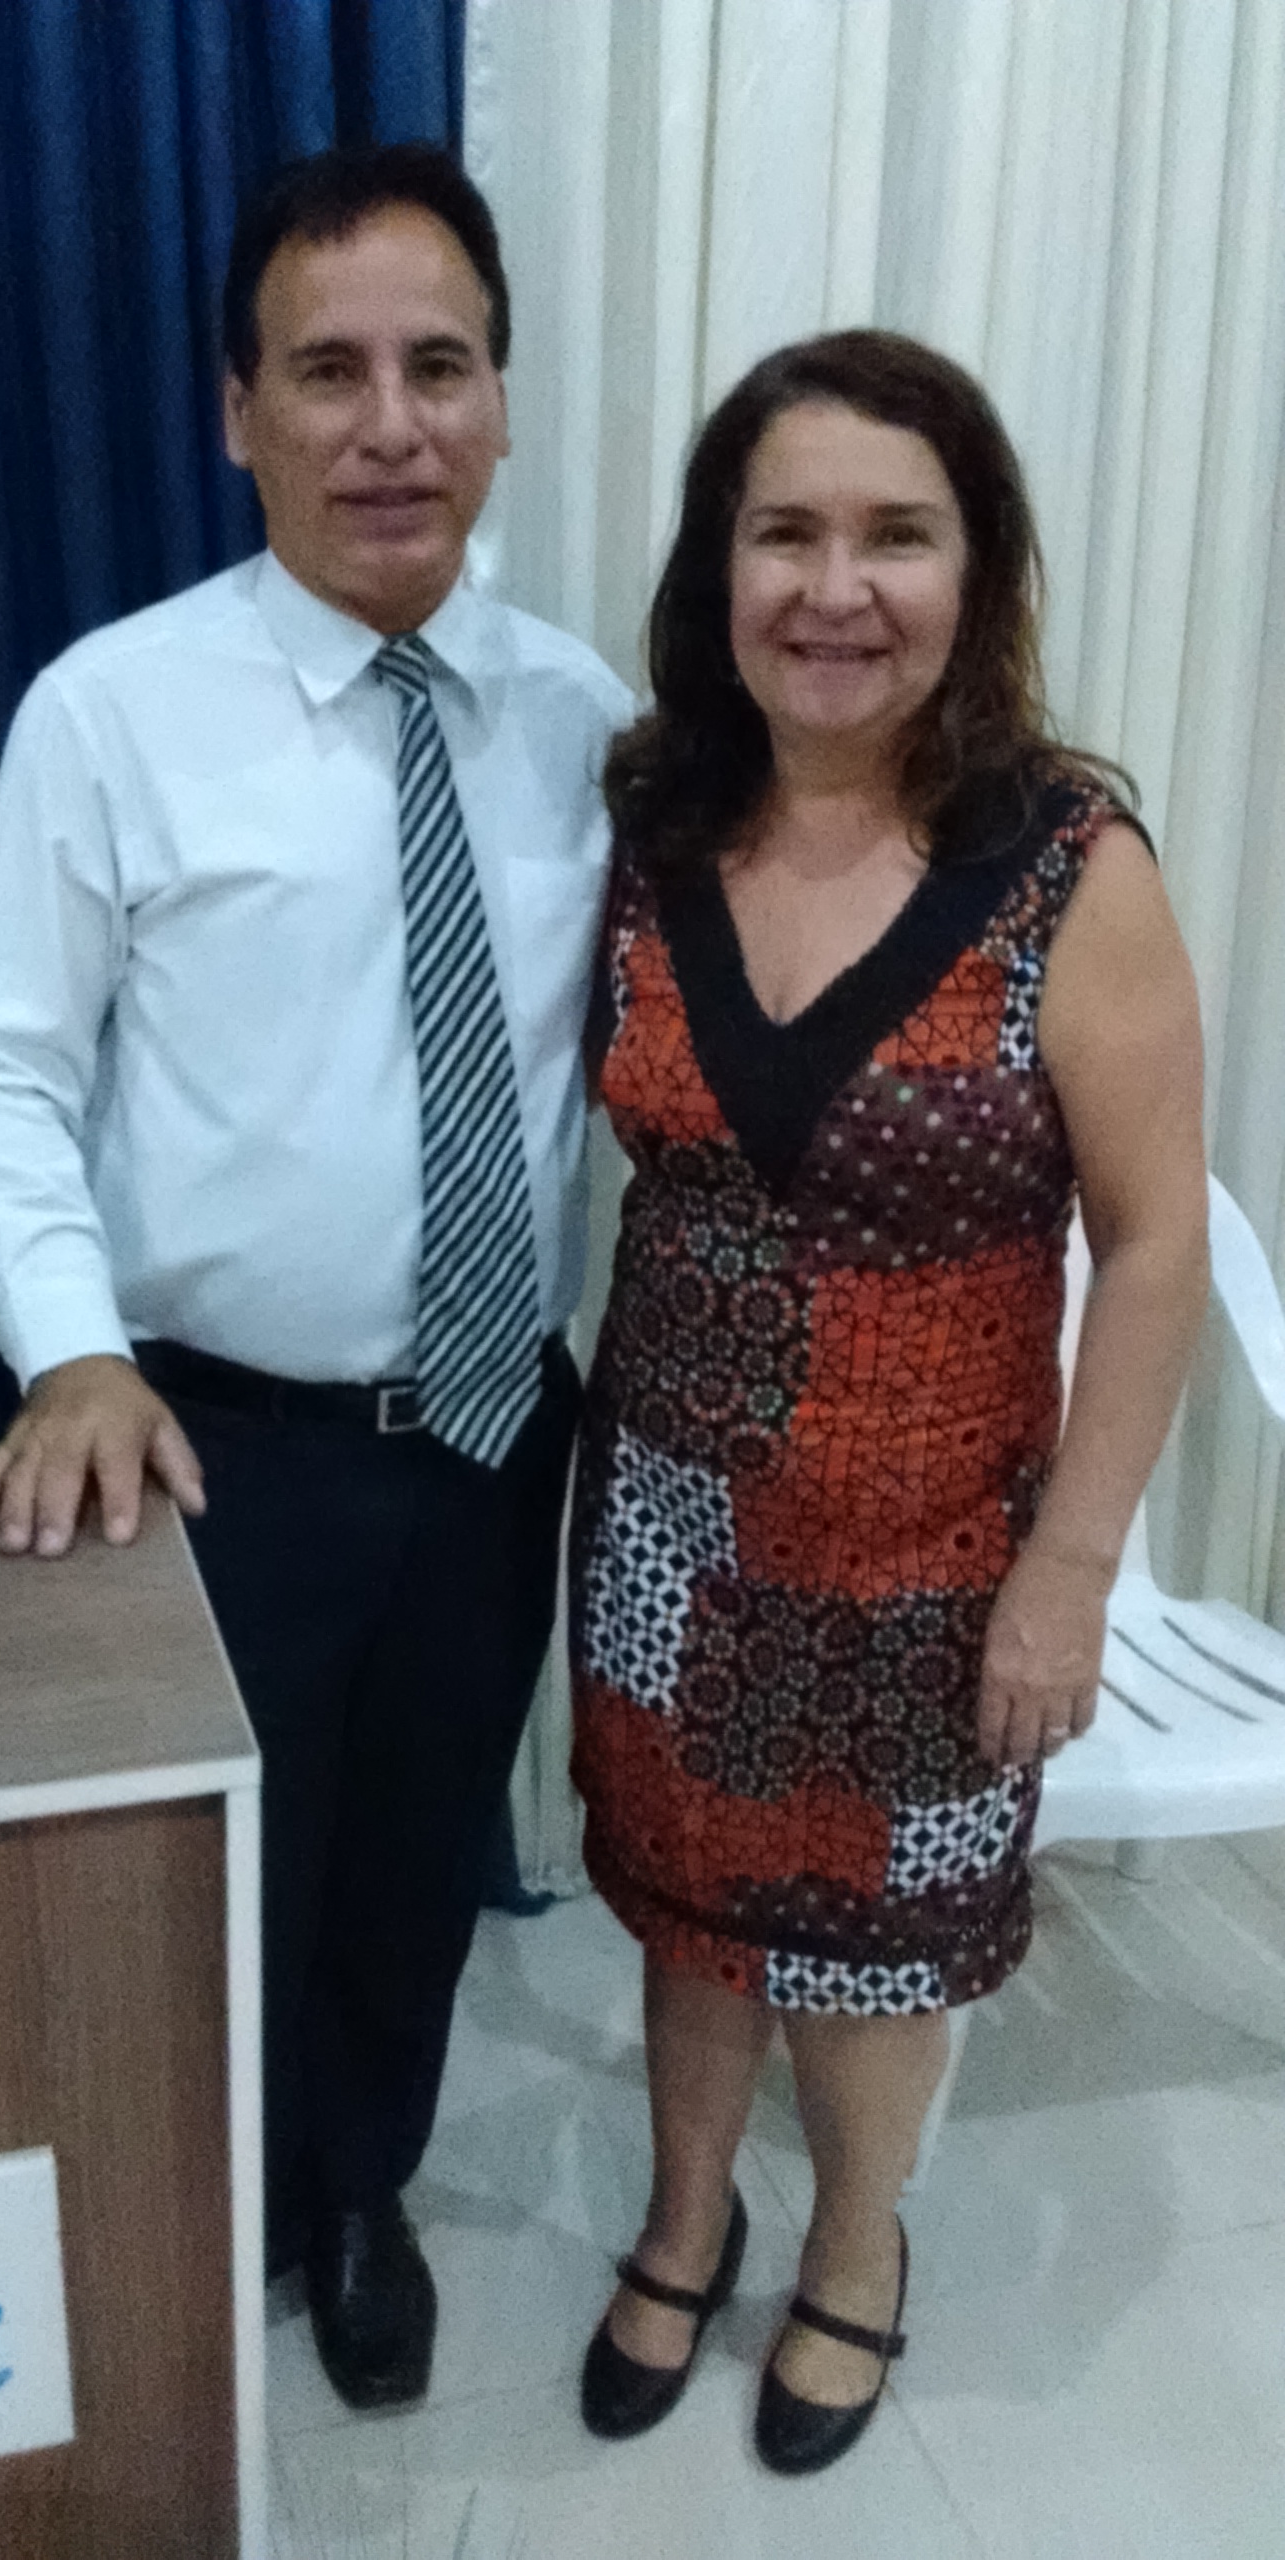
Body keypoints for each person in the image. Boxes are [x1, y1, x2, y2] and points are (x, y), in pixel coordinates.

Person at [0, 142, 631, 2413]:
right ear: (238, 413)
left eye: (440, 366)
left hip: (495, 1431)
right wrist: (72, 1351)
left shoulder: (585, 716)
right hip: (213, 1442)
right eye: (328, 371)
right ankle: (183, 2229)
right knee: (213, 1876)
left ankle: (358, 2190)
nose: (389, 425)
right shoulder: (113, 710)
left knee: (414, 1862)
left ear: (504, 401)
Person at [569, 330, 1208, 2471]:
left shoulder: (1068, 868)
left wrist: (1074, 1571)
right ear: (719, 570)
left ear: (977, 571)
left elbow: (1156, 1244)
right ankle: (685, 2216)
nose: (835, 588)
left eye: (896, 537)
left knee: (876, 1942)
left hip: (939, 1560)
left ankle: (855, 2247)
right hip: (667, 1539)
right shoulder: (653, 824)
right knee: (685, 1904)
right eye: (786, 533)